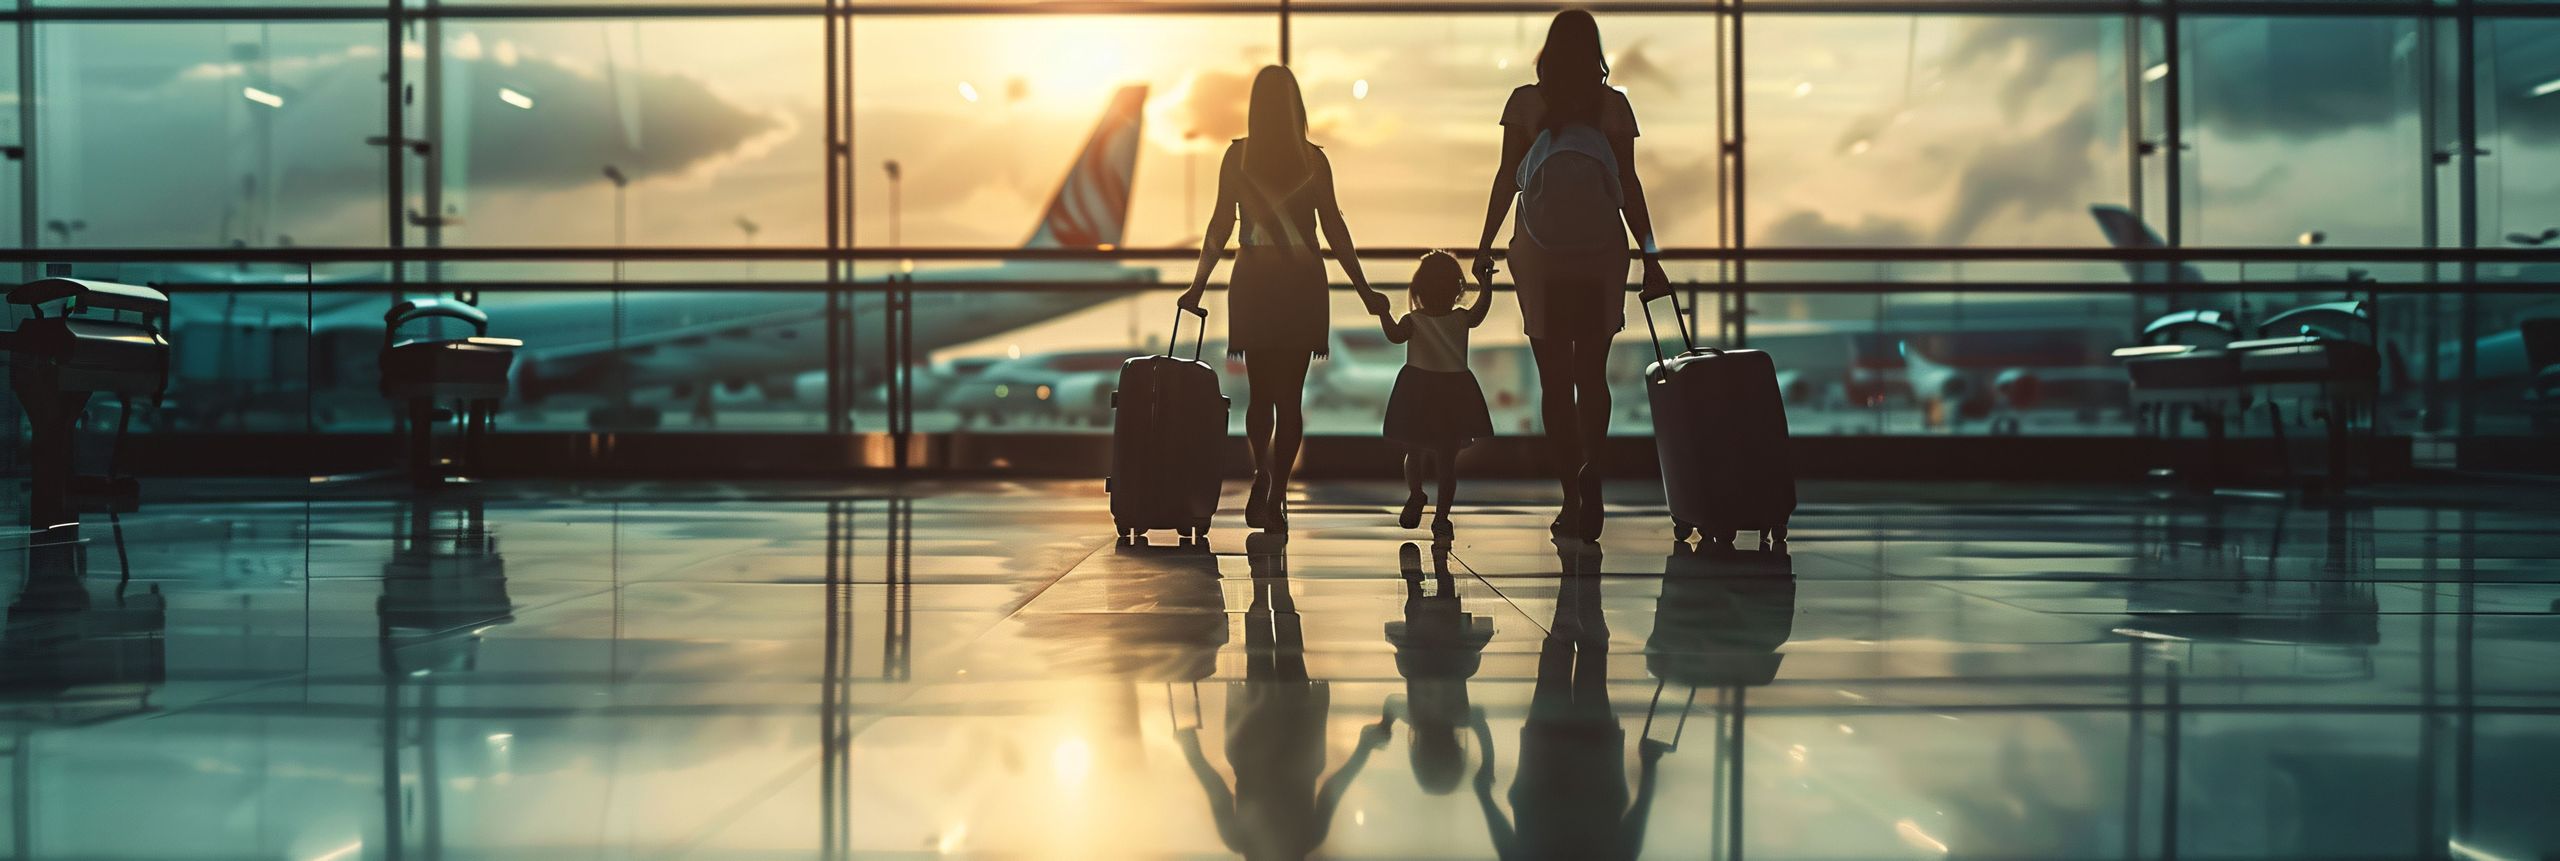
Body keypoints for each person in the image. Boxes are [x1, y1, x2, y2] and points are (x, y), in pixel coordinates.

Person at [1473, 9, 1673, 541]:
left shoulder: (1525, 102)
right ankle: (1594, 479)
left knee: (1555, 383)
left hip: (1540, 256)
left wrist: (1486, 242)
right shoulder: (1614, 106)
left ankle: (1569, 496)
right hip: (1601, 255)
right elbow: (1627, 185)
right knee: (1593, 375)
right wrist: (1651, 256)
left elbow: (1506, 179)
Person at [1179, 65, 1388, 531]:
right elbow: (1334, 228)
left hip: (1254, 278)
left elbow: (1219, 225)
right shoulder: (1313, 159)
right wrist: (1364, 289)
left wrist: (1197, 284)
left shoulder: (1237, 157)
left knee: (1260, 394)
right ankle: (1277, 491)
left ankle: (1261, 474)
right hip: (1301, 282)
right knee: (1290, 399)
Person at [1176, 533, 1391, 860]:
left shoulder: (1306, 838)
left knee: (1287, 652)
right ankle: (1264, 580)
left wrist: (1364, 747)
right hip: (1257, 743)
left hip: (1293, 737)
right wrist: (1191, 752)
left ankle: (1274, 581)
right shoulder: (1243, 839)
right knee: (1260, 654)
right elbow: (1216, 789)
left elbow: (1334, 789)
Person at [1369, 251, 1497, 538]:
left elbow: (1393, 335)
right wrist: (1486, 284)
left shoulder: (1413, 320)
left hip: (1417, 389)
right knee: (1446, 461)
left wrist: (1383, 313)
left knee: (1413, 451)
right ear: (1456, 290)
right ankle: (1442, 517)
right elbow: (1481, 310)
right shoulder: (1462, 319)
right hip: (1453, 392)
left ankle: (1416, 494)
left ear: (1418, 290)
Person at [1385, 540, 1494, 797]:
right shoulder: (1413, 717)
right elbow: (1391, 702)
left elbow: (1480, 723)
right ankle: (1414, 588)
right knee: (1413, 643)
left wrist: (1488, 765)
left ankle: (1440, 567)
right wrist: (1385, 723)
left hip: (1453, 655)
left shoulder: (1461, 718)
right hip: (1417, 657)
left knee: (1453, 632)